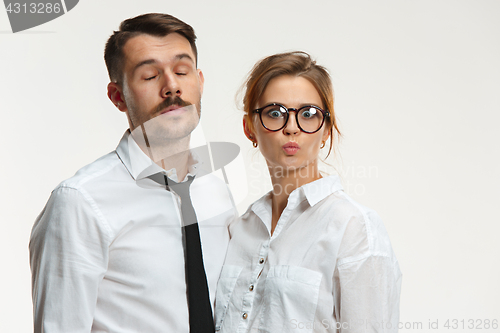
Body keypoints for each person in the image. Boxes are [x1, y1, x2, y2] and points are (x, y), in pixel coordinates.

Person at [29, 13, 236, 333]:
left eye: (182, 71)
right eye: (150, 76)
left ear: (200, 82)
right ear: (117, 96)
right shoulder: (80, 203)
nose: (172, 86)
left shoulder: (217, 189)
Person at [214, 51, 402, 332]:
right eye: (274, 113)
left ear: (326, 128)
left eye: (309, 114)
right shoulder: (239, 228)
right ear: (249, 127)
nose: (291, 128)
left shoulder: (353, 228)